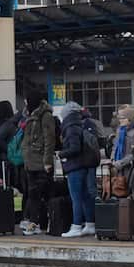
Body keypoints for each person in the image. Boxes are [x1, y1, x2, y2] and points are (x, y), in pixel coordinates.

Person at [56, 101, 100, 238]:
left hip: (75, 166)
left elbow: (74, 148)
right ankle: (90, 224)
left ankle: (75, 226)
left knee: (76, 198)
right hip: (84, 165)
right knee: (86, 196)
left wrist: (60, 154)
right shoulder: (80, 124)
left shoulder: (70, 127)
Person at [16, 94, 55, 236]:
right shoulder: (30, 116)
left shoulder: (45, 116)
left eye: (27, 101)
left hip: (40, 162)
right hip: (30, 162)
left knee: (38, 193)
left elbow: (49, 139)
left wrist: (47, 161)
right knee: (34, 193)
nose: (25, 104)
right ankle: (35, 221)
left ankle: (36, 222)